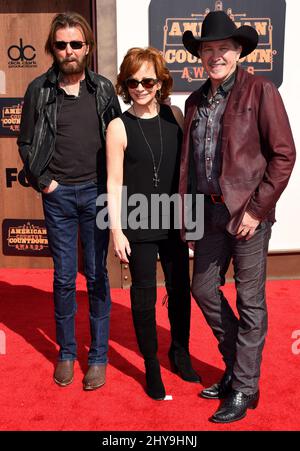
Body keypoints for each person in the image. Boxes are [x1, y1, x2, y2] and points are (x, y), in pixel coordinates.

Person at [180, 10, 296, 422]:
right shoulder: (195, 100)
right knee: (204, 289)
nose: (216, 56)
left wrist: (256, 210)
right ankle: (239, 368)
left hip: (248, 217)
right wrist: (189, 220)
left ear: (239, 51)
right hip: (208, 215)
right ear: (200, 55)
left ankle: (245, 387)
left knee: (251, 302)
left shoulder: (260, 91)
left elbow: (284, 156)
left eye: (224, 48)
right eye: (208, 49)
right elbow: (190, 168)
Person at [18, 12, 121, 390]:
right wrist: (46, 183)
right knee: (63, 278)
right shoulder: (38, 90)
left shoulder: (104, 89)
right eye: (61, 44)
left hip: (96, 195)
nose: (69, 50)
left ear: (88, 48)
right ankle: (66, 351)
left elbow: (117, 140)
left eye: (76, 44)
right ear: (52, 48)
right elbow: (26, 142)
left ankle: (98, 357)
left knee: (96, 276)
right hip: (58, 198)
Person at [106, 47, 201, 400]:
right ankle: (150, 365)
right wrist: (116, 230)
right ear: (125, 84)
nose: (140, 88)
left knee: (179, 291)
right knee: (143, 297)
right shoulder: (118, 126)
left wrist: (194, 219)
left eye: (147, 80)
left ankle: (180, 352)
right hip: (138, 222)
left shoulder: (174, 115)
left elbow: (187, 170)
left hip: (175, 219)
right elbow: (113, 183)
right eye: (132, 82)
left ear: (161, 82)